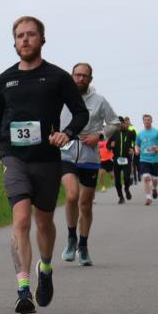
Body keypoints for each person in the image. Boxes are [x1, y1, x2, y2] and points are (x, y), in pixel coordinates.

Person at [0, 16, 88, 314]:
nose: (25, 40)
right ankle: (22, 288)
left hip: (46, 159)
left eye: (31, 35)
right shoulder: (4, 79)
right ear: (14, 42)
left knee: (43, 222)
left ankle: (45, 267)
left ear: (42, 39)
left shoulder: (57, 77)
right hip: (15, 158)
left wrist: (65, 134)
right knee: (20, 220)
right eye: (20, 36)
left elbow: (80, 113)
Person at [59, 63, 121, 267]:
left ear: (90, 79)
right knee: (71, 195)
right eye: (77, 75)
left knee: (85, 204)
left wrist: (100, 135)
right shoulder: (61, 96)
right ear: (71, 76)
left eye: (85, 76)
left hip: (89, 156)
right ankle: (71, 238)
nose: (80, 79)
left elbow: (114, 122)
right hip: (66, 153)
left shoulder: (99, 101)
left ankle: (83, 245)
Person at [108, 118, 137, 205]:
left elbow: (135, 142)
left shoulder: (130, 133)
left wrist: (132, 149)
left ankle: (127, 189)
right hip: (116, 159)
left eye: (121, 123)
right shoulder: (114, 134)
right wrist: (111, 146)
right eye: (118, 124)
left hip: (126, 158)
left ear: (124, 123)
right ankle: (121, 197)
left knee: (127, 177)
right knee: (117, 180)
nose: (120, 125)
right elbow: (107, 145)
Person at [136, 114, 158, 205]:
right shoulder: (140, 134)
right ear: (143, 122)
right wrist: (136, 150)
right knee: (146, 178)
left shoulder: (157, 132)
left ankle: (154, 188)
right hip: (144, 159)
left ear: (151, 121)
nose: (147, 121)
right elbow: (137, 144)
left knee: (154, 179)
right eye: (145, 120)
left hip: (155, 159)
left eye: (148, 120)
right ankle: (148, 197)